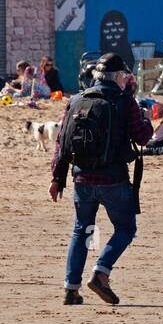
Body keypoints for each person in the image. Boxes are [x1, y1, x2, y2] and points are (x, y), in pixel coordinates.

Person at [51, 53, 153, 306]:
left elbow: (61, 142)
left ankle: (71, 289)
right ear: (118, 76)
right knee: (125, 229)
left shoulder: (76, 100)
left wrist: (57, 178)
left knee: (82, 230)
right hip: (113, 178)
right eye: (124, 76)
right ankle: (101, 272)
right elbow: (141, 137)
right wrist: (147, 120)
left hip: (81, 178)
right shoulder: (123, 100)